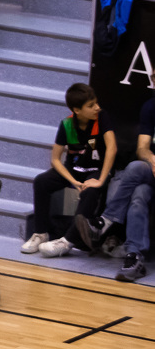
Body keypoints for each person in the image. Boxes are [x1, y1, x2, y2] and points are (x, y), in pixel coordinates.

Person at [24, 83, 116, 259]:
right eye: (91, 105)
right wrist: (73, 181)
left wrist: (101, 179)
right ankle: (41, 233)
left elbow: (112, 148)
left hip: (96, 171)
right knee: (41, 181)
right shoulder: (67, 124)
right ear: (77, 110)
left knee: (91, 190)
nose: (97, 107)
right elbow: (55, 159)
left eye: (96, 103)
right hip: (73, 171)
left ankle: (68, 241)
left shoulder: (102, 117)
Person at [80, 96, 154, 282]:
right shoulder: (150, 106)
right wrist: (151, 158)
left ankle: (105, 221)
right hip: (152, 172)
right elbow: (142, 149)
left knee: (138, 186)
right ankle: (135, 257)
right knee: (138, 183)